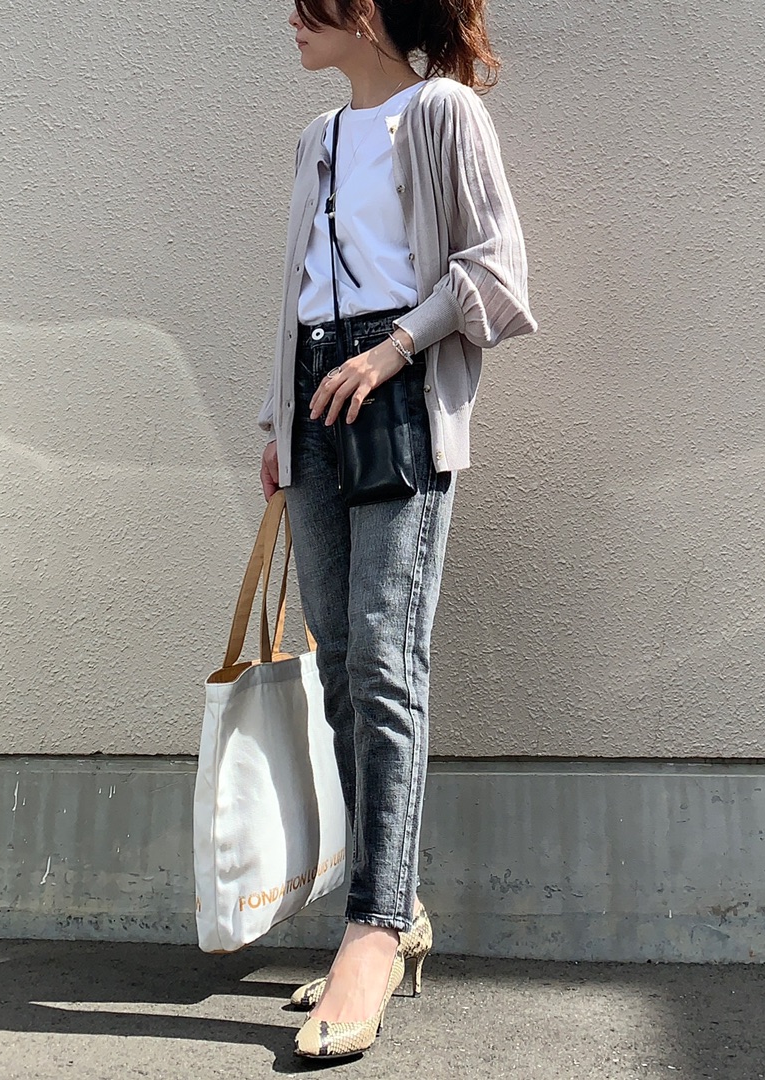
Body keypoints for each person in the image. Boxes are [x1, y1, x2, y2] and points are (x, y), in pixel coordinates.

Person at [258, 0, 536, 1060]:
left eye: (309, 3)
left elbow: (495, 268)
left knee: (384, 659)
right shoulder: (316, 138)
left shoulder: (442, 113)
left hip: (397, 400)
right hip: (312, 405)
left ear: (365, 10)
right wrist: (276, 426)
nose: (290, 19)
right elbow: (298, 292)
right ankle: (394, 903)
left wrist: (392, 352)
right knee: (338, 666)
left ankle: (372, 931)